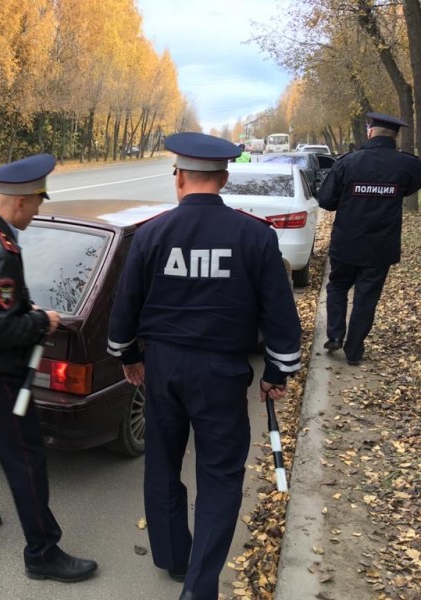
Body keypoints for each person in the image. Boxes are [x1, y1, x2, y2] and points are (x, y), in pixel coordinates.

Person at [107, 132, 302, 600]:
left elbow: (123, 312)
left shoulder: (152, 233)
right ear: (224, 178)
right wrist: (278, 374)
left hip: (164, 370)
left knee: (162, 464)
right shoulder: (255, 235)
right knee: (219, 477)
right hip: (222, 373)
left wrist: (130, 358)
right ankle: (198, 586)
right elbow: (280, 314)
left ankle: (174, 557)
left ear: (179, 178)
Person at [0, 153, 98, 583]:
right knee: (25, 458)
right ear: (21, 202)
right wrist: (41, 321)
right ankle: (42, 551)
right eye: (38, 202)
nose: (40, 210)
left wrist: (21, 308)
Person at [318, 112, 421, 366]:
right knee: (367, 296)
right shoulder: (408, 164)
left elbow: (326, 201)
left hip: (346, 243)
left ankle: (334, 335)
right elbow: (410, 187)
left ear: (370, 131)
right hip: (380, 247)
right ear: (395, 136)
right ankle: (354, 349)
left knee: (338, 287)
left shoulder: (347, 163)